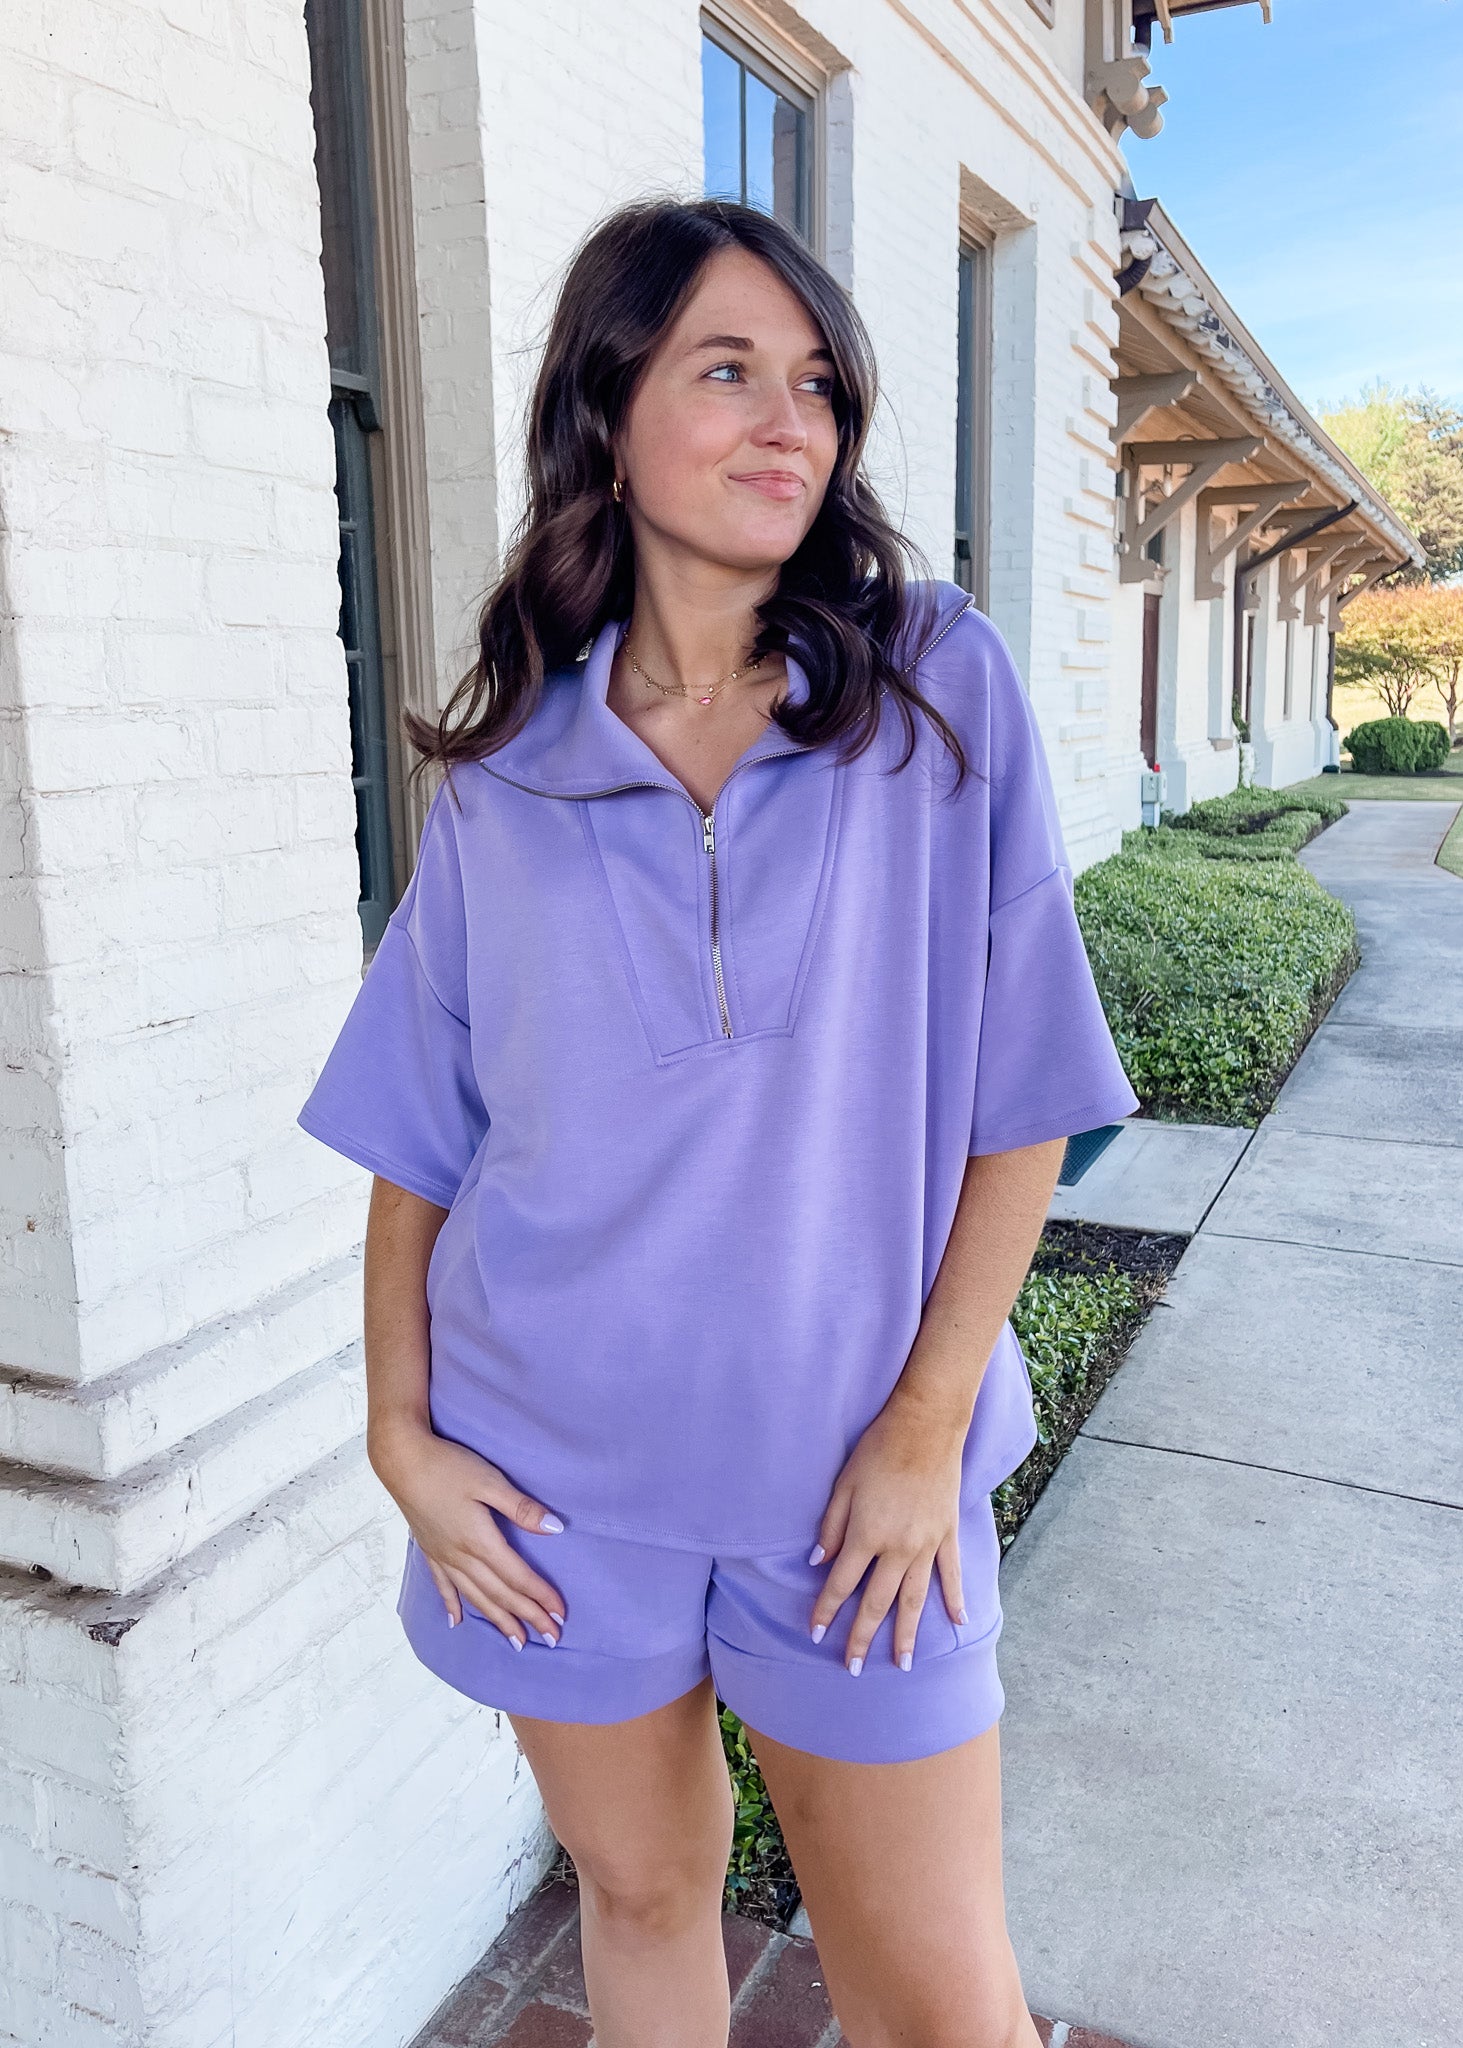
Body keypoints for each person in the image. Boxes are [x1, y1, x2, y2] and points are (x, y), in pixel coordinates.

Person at [297, 195, 1139, 2048]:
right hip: (550, 1490)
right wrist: (397, 1437)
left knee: (941, 2003)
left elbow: (1023, 1100)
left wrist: (925, 1429)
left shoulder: (933, 689)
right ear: (608, 413)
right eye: (729, 371)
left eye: (818, 385)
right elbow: (422, 1149)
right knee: (641, 1898)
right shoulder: (508, 775)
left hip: (857, 1493)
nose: (789, 424)